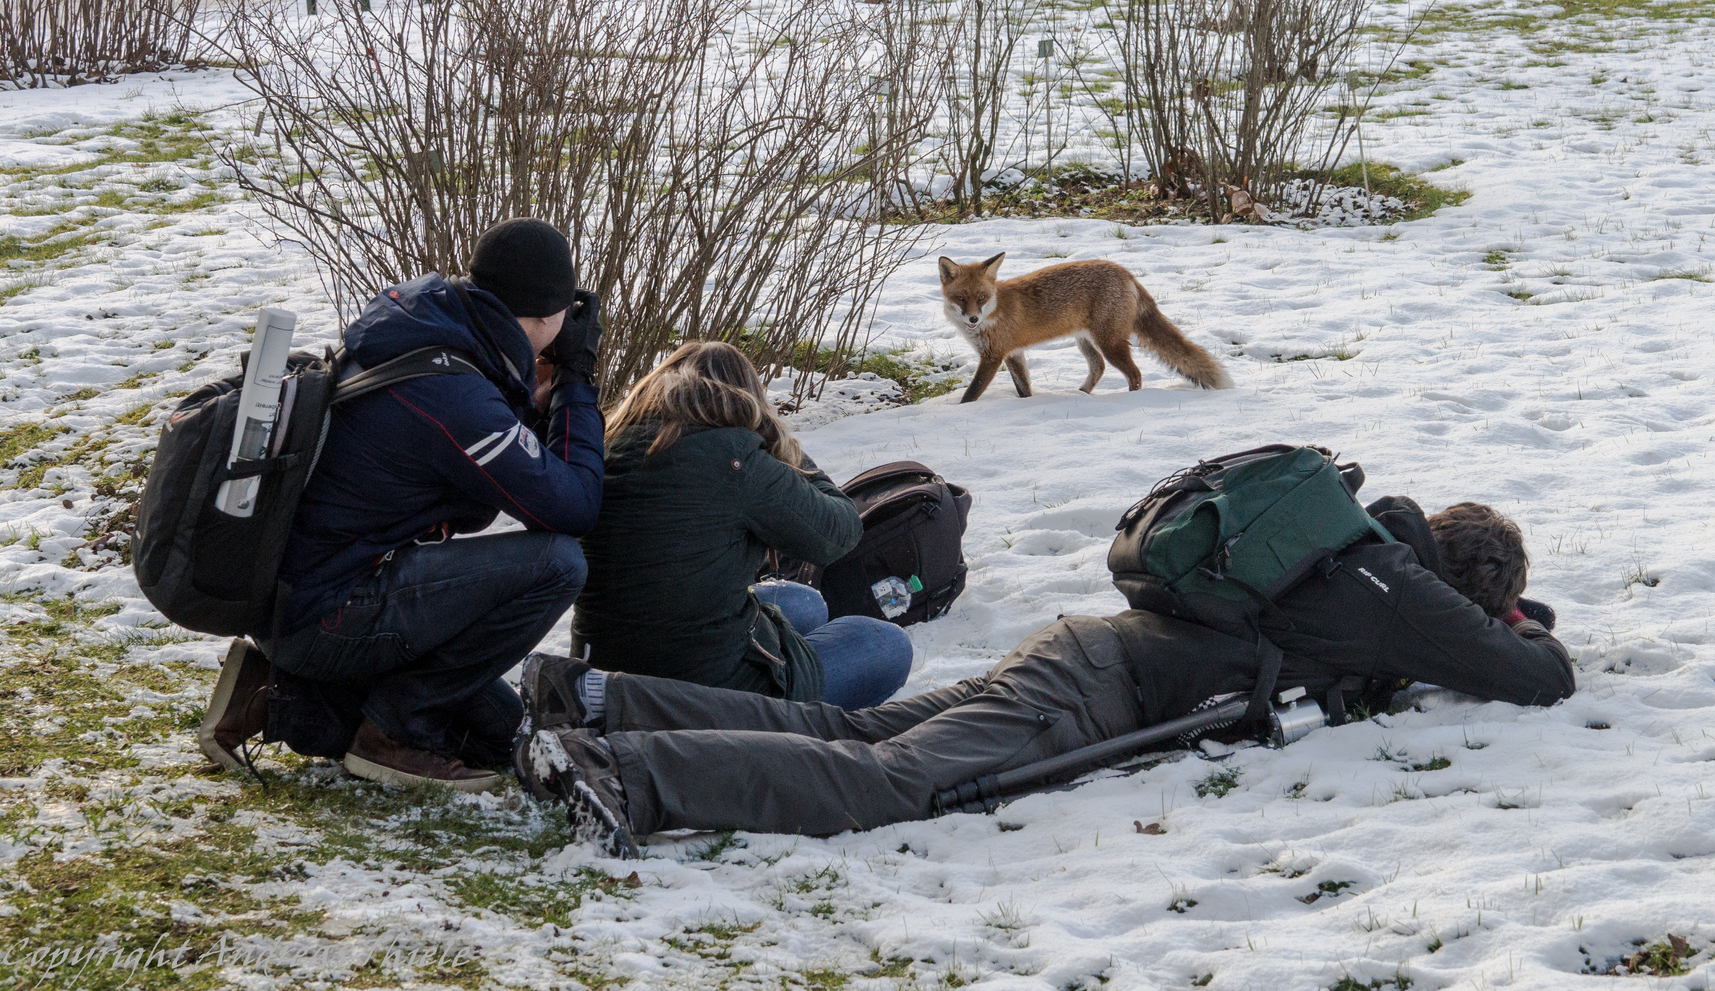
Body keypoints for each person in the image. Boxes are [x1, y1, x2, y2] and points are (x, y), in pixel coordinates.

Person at [516, 497, 1573, 855]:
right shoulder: (1407, 599)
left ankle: (592, 697)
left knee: (855, 736)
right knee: (891, 783)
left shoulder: (1340, 541)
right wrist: (1516, 624)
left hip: (1083, 649)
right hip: (1089, 696)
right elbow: (1537, 677)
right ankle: (621, 774)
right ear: (1471, 586)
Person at [196, 218, 607, 792]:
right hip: (332, 612)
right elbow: (575, 507)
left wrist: (534, 396)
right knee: (559, 563)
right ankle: (394, 733)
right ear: (547, 314)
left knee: (499, 731)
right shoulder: (454, 396)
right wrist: (577, 381)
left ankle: (273, 692)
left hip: (296, 598)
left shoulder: (428, 332)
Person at [561, 340, 912, 711]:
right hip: (697, 695)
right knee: (886, 644)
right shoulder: (736, 460)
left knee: (805, 601)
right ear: (746, 396)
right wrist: (782, 446)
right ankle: (788, 728)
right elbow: (839, 532)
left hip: (602, 669)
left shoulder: (607, 443)